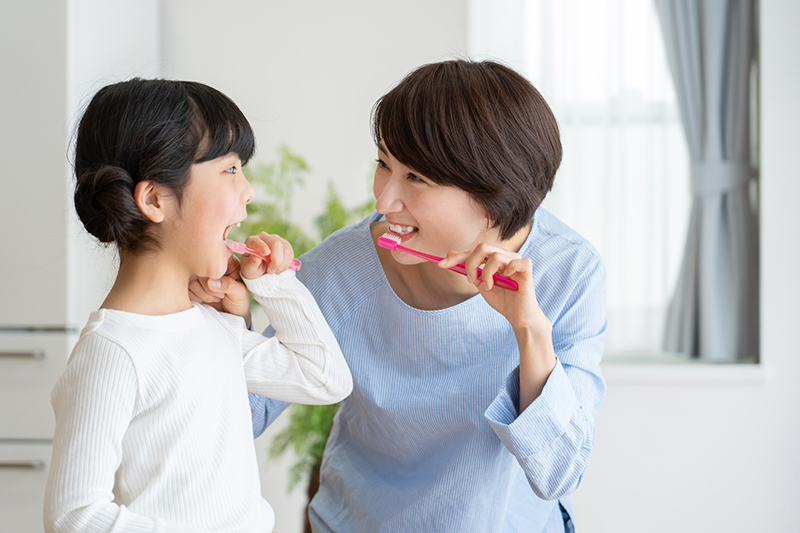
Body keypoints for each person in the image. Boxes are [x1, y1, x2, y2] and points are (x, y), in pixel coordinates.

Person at [193, 59, 607, 532]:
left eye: (417, 179)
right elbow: (237, 420)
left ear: (495, 193)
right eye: (384, 165)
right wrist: (231, 324)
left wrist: (530, 330)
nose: (384, 201)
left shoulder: (570, 272)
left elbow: (559, 474)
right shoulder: (342, 268)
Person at [44, 78, 353, 533]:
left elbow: (326, 380)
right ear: (154, 199)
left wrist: (275, 287)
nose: (248, 190)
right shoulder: (112, 351)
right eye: (230, 170)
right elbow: (75, 515)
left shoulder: (212, 327)